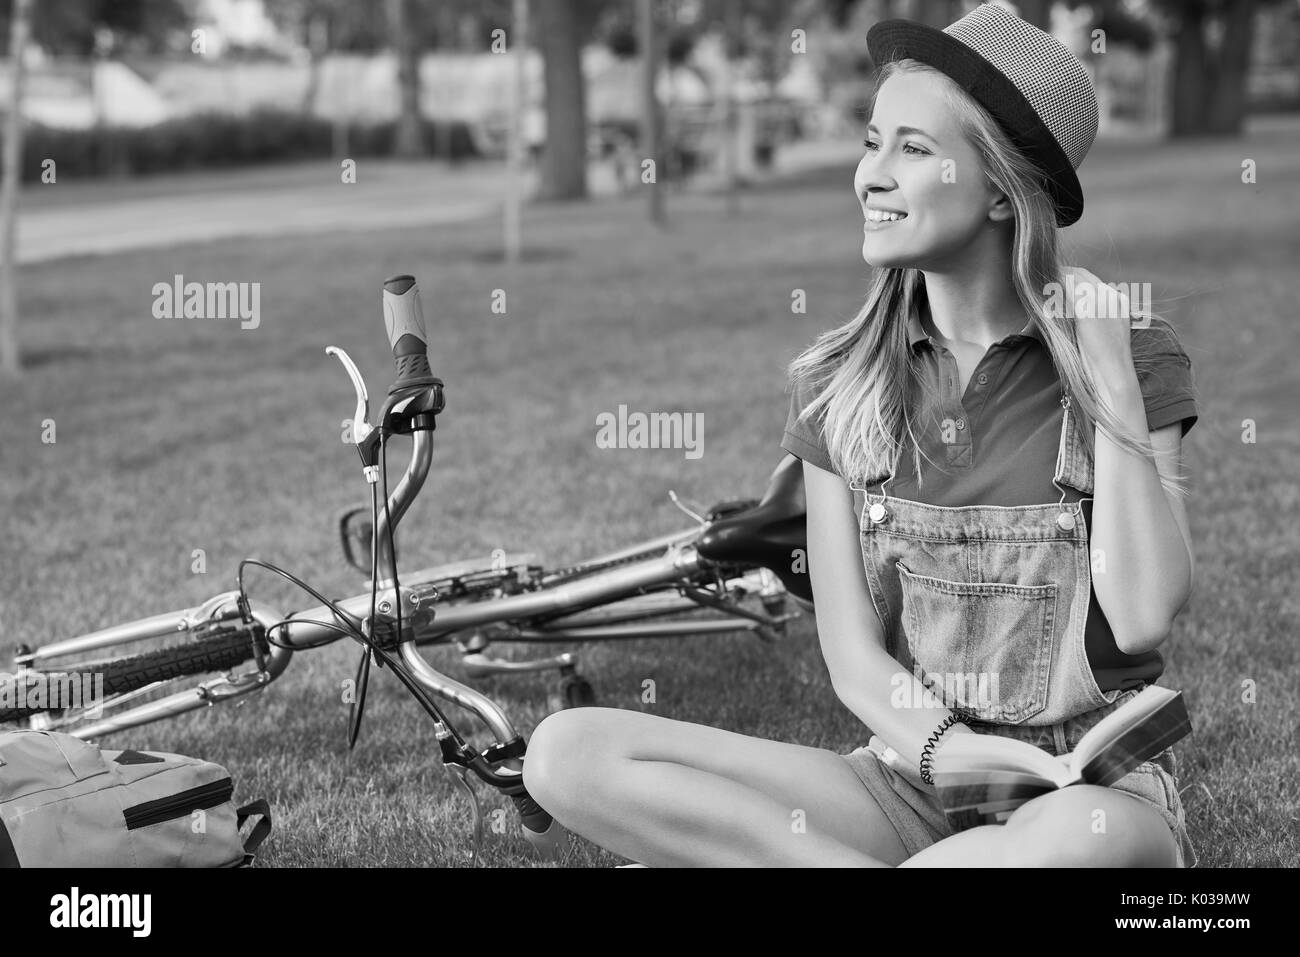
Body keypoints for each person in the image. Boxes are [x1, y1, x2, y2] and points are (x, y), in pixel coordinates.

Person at [521, 3, 1199, 867]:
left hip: (1086, 795)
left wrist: (1107, 382)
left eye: (913, 149)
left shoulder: (1133, 360)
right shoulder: (838, 385)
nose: (870, 175)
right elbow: (853, 658)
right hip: (911, 780)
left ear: (1001, 188)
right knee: (569, 752)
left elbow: (1142, 618)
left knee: (1068, 841)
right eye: (872, 142)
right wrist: (948, 753)